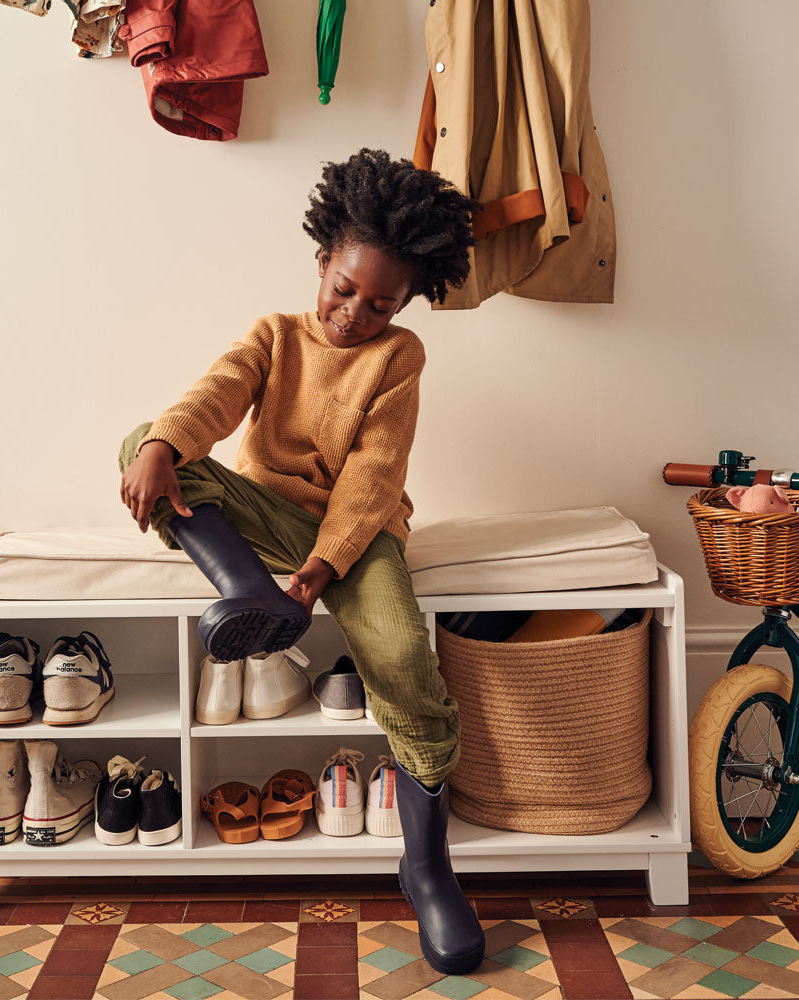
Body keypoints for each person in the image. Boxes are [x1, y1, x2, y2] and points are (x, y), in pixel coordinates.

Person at [118, 148, 483, 974]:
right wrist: (163, 444)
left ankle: (427, 868)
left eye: (381, 303)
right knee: (139, 440)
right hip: (261, 523)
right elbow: (215, 393)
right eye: (343, 290)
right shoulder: (274, 337)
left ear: (408, 301)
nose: (354, 314)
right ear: (323, 260)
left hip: (356, 537)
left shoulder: (399, 358)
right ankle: (249, 593)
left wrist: (323, 570)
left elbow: (373, 474)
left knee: (397, 651)